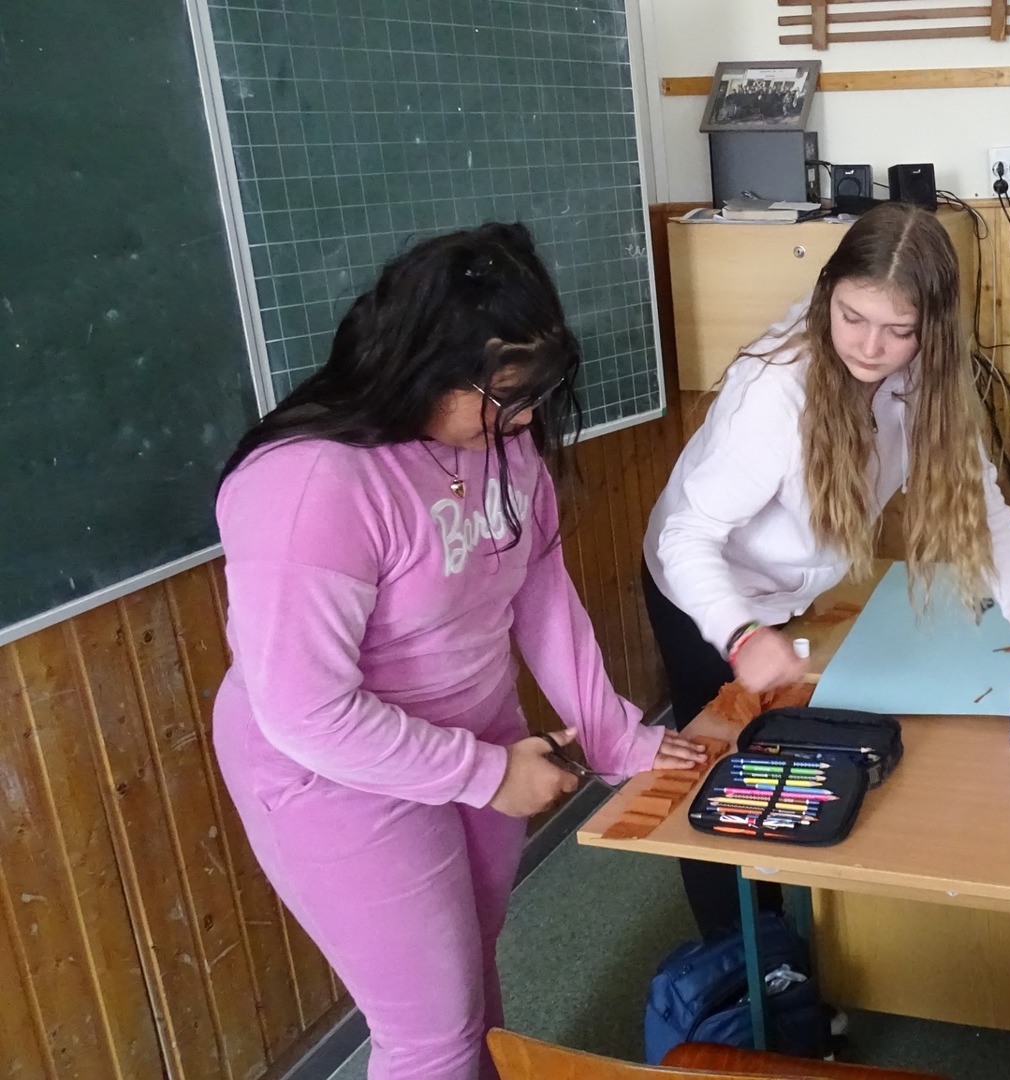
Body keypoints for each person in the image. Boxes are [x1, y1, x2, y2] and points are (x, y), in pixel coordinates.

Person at [212, 223, 706, 1080]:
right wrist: (485, 774)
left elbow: (540, 591)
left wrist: (613, 735)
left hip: (479, 737)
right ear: (421, 366)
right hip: (338, 774)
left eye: (533, 394)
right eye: (503, 396)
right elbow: (306, 710)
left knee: (471, 984)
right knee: (430, 1034)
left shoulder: (502, 442)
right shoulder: (311, 483)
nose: (526, 418)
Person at [643, 202, 1010, 939]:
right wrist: (740, 633)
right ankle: (741, 951)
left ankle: (801, 929)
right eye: (852, 317)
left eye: (898, 330)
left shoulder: (927, 383)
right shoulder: (774, 392)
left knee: (792, 764)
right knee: (720, 779)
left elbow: (983, 513)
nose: (871, 346)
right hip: (704, 592)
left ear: (931, 330)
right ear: (827, 293)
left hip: (791, 595)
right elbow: (686, 537)